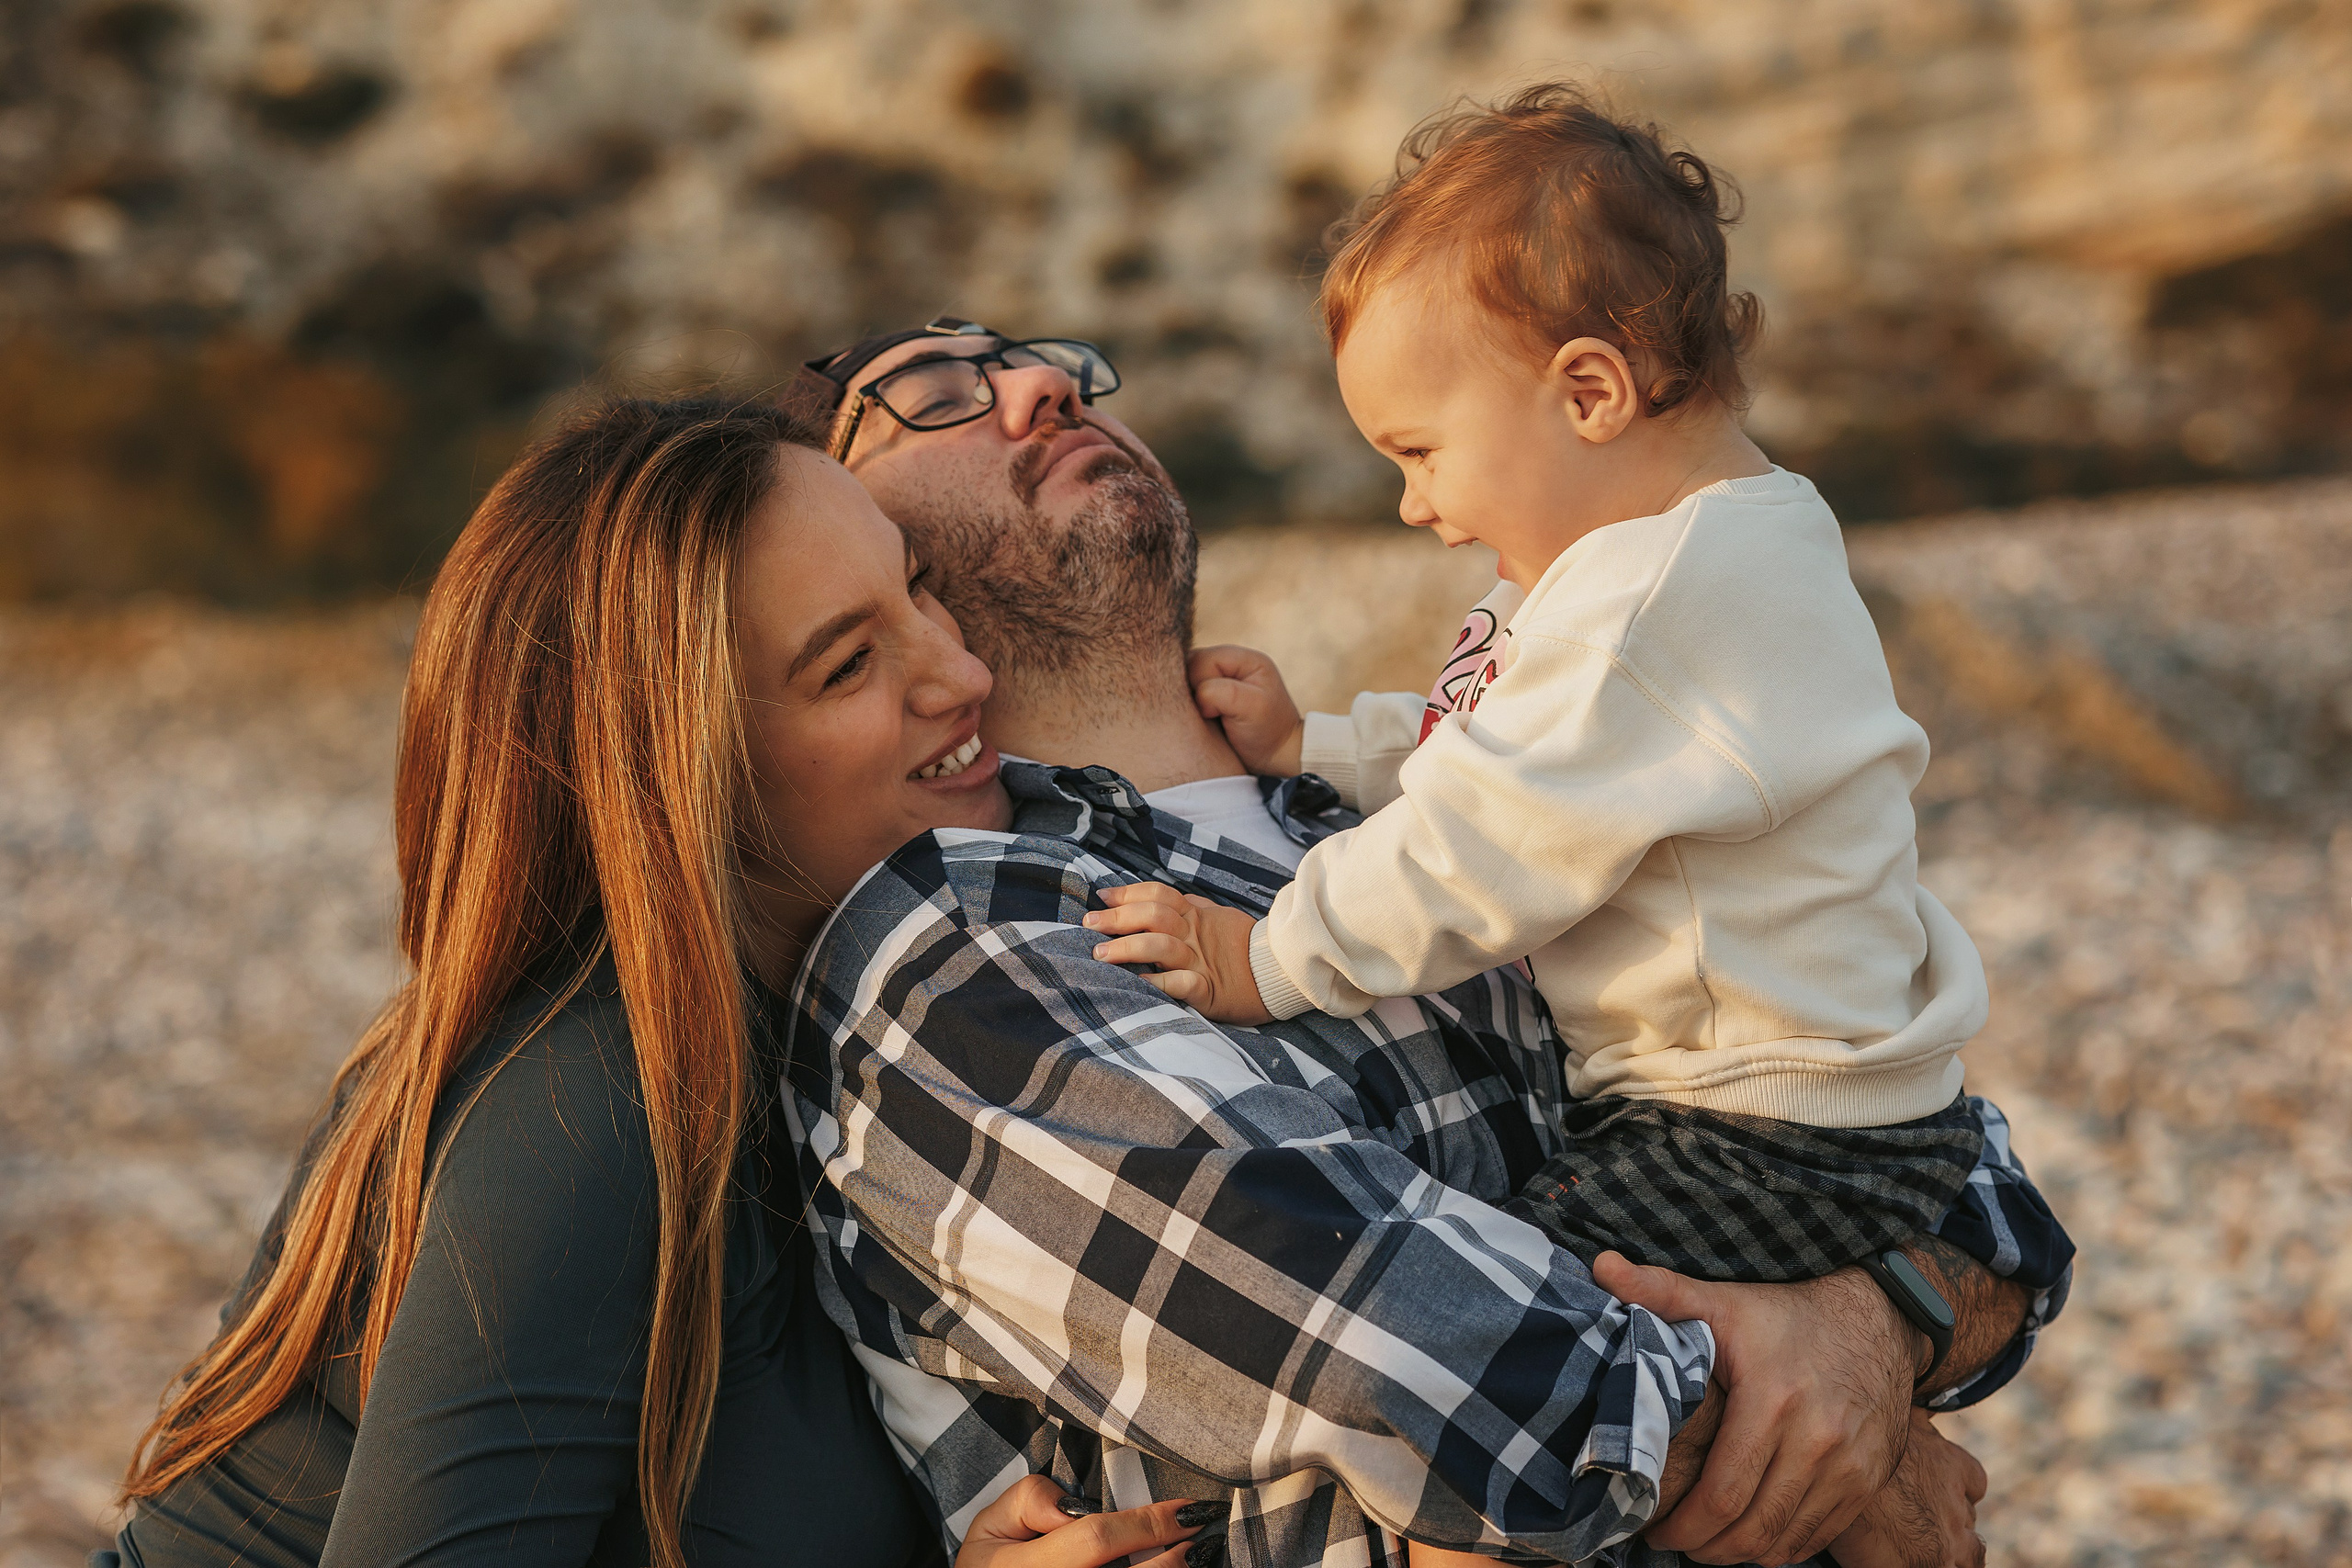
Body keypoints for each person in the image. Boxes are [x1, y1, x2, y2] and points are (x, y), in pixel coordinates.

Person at [774, 314, 2072, 1567]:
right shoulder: (987, 945)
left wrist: (1868, 1320)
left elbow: (1940, 1155)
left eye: (1041, 363)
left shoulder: (1411, 798)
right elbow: (1465, 1373)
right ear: (845, 552)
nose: (1043, 392)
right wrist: (1870, 1425)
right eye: (935, 394)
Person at [101, 399, 1215, 1568]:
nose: (962, 669)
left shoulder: (842, 1032)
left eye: (919, 586)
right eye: (847, 664)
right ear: (682, 781)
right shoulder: (595, 1105)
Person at [1093, 87, 2004, 1312]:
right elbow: (1505, 746)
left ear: (1589, 395)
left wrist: (1266, 956)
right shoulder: (1695, 546)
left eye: (1419, 450)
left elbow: (1481, 846)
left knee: (1499, 1298)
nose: (1412, 503)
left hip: (1764, 1125)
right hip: (1853, 1105)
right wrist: (1324, 744)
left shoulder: (1646, 599)